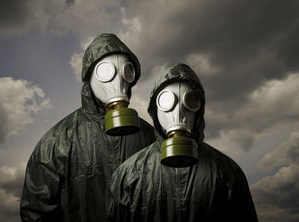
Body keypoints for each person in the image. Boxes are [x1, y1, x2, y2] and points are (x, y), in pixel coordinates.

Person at [20, 33, 155, 221]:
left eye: (126, 71)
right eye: (106, 71)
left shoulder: (151, 138)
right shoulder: (57, 142)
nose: (117, 81)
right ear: (89, 76)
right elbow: (36, 212)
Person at [106, 64, 258, 222]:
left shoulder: (227, 174)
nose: (178, 112)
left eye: (190, 101)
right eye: (166, 101)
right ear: (155, 110)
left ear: (199, 110)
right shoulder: (127, 175)